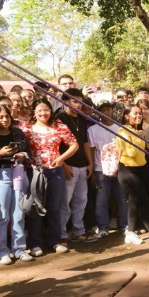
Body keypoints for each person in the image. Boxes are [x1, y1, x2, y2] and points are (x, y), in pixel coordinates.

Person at [22, 99, 79, 257]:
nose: (43, 113)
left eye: (46, 109)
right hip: (34, 172)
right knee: (35, 208)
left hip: (55, 171)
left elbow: (74, 145)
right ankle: (35, 244)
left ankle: (55, 241)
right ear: (34, 112)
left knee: (55, 208)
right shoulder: (26, 128)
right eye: (39, 110)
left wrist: (61, 159)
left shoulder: (59, 126)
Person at [0, 103, 32, 265]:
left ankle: (19, 249)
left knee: (18, 213)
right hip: (0, 174)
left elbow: (29, 151)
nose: (5, 120)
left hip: (18, 172)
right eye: (1, 117)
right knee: (2, 214)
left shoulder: (17, 133)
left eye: (7, 116)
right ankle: (1, 251)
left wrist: (23, 155)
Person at [117, 104, 149, 246]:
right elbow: (131, 152)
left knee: (134, 202)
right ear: (127, 116)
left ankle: (130, 233)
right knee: (143, 201)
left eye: (140, 113)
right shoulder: (123, 131)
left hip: (141, 169)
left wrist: (142, 137)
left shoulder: (140, 131)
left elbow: (146, 149)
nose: (138, 116)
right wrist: (139, 137)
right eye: (135, 113)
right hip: (127, 170)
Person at [55, 89, 97, 243]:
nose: (78, 105)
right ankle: (61, 234)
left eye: (80, 101)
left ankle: (78, 231)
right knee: (65, 203)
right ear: (66, 101)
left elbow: (85, 142)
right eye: (74, 101)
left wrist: (90, 163)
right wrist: (64, 164)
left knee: (81, 202)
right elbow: (55, 144)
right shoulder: (59, 118)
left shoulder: (81, 118)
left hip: (82, 166)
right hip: (68, 166)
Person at [87, 102, 128, 237]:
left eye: (108, 109)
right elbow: (91, 150)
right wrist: (92, 170)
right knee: (101, 199)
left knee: (122, 197)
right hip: (100, 170)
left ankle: (125, 225)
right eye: (103, 110)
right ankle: (103, 227)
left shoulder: (120, 129)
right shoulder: (93, 130)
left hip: (119, 168)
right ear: (98, 112)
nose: (106, 112)